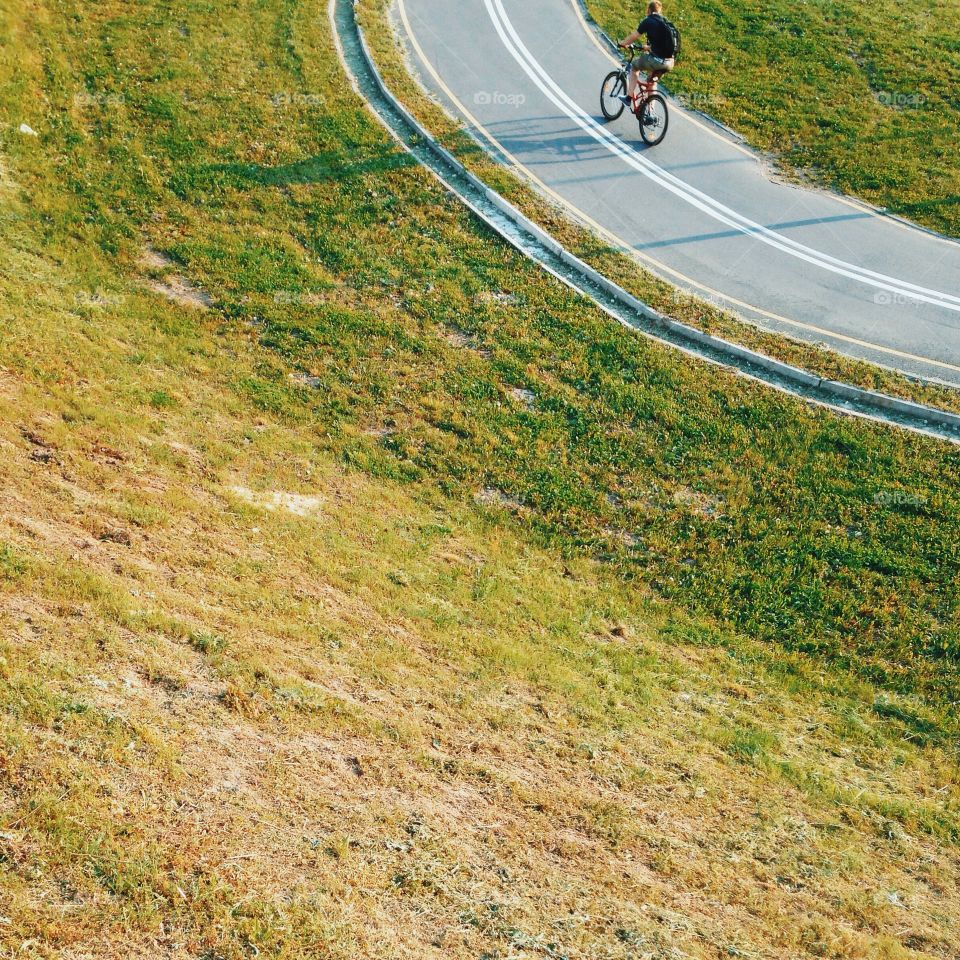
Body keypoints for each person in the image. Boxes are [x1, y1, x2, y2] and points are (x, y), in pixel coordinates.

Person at [617, 1, 676, 108]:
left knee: (634, 67)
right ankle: (650, 112)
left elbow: (634, 36)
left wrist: (623, 43)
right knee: (651, 81)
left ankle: (628, 98)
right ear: (659, 11)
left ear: (648, 10)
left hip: (657, 60)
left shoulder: (648, 21)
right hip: (669, 62)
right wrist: (648, 48)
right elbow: (661, 43)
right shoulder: (664, 22)